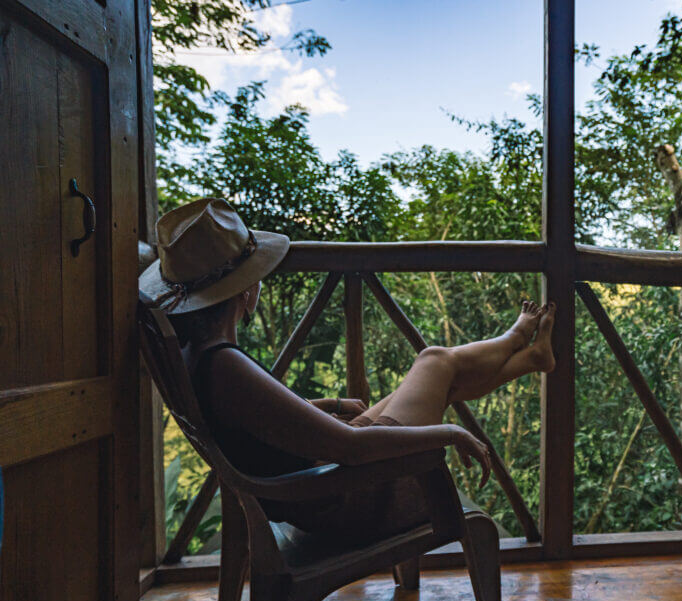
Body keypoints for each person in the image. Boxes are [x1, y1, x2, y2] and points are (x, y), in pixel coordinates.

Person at [140, 197, 556, 546]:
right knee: (435, 362)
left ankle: (527, 356)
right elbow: (352, 447)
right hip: (350, 497)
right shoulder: (226, 366)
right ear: (246, 290)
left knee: (435, 375)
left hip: (319, 481)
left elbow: (269, 418)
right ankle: (516, 341)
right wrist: (451, 433)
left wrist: (333, 404)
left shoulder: (202, 356)